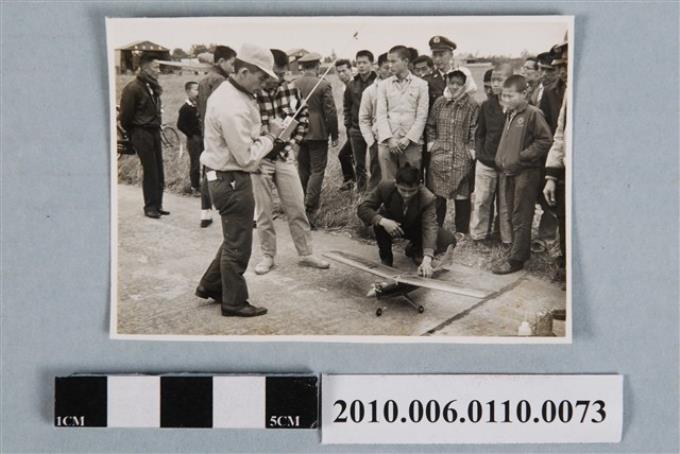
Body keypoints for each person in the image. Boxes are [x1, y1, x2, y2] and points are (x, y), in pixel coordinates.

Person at [195, 43, 283, 317]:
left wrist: (263, 140)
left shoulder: (231, 93)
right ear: (244, 72)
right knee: (239, 244)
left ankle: (211, 285)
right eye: (261, 77)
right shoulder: (232, 105)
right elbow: (245, 157)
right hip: (232, 179)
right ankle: (234, 302)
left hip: (222, 176)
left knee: (234, 236)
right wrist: (272, 137)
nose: (263, 83)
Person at [252, 49, 330, 275]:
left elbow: (303, 117)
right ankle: (267, 256)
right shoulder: (253, 94)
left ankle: (306, 253)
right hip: (260, 160)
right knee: (264, 212)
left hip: (285, 157)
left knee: (296, 206)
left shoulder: (291, 89)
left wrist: (294, 143)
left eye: (281, 73)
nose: (277, 78)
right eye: (273, 74)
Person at [492, 75, 553, 275]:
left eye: (510, 96)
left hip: (525, 173)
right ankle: (517, 250)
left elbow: (545, 140)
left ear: (524, 94)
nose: (506, 99)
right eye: (504, 96)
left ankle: (517, 260)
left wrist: (522, 156)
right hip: (509, 172)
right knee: (511, 213)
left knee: (521, 215)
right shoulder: (511, 113)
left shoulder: (533, 114)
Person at [357, 164, 456, 277]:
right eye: (403, 190)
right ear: (396, 184)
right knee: (378, 222)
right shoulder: (384, 187)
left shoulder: (428, 198)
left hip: (416, 228)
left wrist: (427, 258)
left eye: (412, 191)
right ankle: (386, 259)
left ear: (419, 186)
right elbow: (363, 208)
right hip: (391, 225)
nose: (407, 195)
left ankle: (415, 250)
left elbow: (430, 226)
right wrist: (383, 221)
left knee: (449, 239)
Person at [425, 70, 479, 233]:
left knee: (462, 194)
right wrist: (432, 145)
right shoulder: (440, 102)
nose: (454, 87)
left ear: (465, 85)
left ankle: (461, 230)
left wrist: (470, 150)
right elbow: (431, 125)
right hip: (440, 154)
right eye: (451, 83)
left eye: (459, 84)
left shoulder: (472, 105)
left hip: (461, 156)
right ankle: (436, 229)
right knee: (437, 195)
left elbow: (474, 130)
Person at [469, 63, 514, 246]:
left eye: (499, 79)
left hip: (507, 164)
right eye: (493, 79)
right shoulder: (487, 105)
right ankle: (479, 235)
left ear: (510, 81)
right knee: (482, 200)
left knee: (505, 204)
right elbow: (480, 133)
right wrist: (481, 154)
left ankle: (506, 238)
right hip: (486, 162)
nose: (494, 83)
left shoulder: (516, 106)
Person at [118, 53, 167, 219]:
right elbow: (125, 117)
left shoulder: (152, 87)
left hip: (154, 131)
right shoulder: (132, 88)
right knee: (151, 170)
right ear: (145, 68)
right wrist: (134, 133)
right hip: (141, 132)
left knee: (159, 169)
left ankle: (157, 205)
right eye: (156, 67)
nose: (159, 70)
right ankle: (150, 207)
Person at [294, 52, 339, 227]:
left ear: (303, 67)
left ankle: (299, 204)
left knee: (303, 169)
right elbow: (331, 112)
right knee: (317, 170)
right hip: (318, 132)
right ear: (317, 65)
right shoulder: (323, 84)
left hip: (299, 130)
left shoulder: (294, 83)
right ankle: (310, 208)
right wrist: (334, 135)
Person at [196, 45, 237, 227]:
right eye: (232, 63)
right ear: (221, 61)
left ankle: (205, 213)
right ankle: (237, 212)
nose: (233, 68)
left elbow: (200, 108)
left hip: (206, 131)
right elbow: (225, 110)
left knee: (209, 170)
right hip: (220, 133)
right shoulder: (222, 81)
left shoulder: (204, 80)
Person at [376, 45, 429, 181]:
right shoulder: (383, 85)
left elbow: (422, 116)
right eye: (388, 61)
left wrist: (408, 139)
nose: (390, 65)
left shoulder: (421, 85)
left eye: (393, 61)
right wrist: (390, 139)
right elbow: (380, 115)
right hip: (388, 143)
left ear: (405, 61)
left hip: (411, 144)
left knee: (411, 183)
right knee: (388, 183)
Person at [543, 87, 568, 285]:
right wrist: (551, 177)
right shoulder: (569, 92)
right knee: (565, 220)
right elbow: (560, 136)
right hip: (567, 171)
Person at [344, 50, 377, 193]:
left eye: (364, 62)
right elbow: (347, 106)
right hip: (356, 129)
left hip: (375, 129)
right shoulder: (351, 85)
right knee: (359, 163)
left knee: (376, 162)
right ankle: (362, 191)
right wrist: (349, 125)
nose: (361, 66)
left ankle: (376, 191)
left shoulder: (378, 82)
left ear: (372, 64)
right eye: (358, 63)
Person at [358, 52, 389, 190]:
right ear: (378, 69)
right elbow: (364, 119)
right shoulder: (370, 91)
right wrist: (371, 142)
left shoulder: (402, 87)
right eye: (386, 68)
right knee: (377, 176)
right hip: (378, 140)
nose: (390, 71)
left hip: (398, 139)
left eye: (392, 67)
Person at [428, 35, 477, 106]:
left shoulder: (464, 74)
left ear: (451, 55)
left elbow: (471, 100)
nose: (437, 59)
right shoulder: (428, 79)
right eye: (434, 55)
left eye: (441, 55)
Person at [176, 81, 203, 198]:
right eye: (195, 89)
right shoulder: (185, 108)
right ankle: (195, 187)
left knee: (207, 161)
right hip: (194, 139)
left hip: (203, 137)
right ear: (188, 91)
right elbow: (180, 125)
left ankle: (205, 186)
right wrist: (191, 134)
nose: (198, 92)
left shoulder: (200, 105)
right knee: (195, 163)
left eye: (199, 89)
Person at [334, 59, 356, 191]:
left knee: (344, 155)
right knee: (350, 155)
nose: (341, 74)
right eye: (339, 72)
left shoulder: (355, 85)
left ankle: (350, 181)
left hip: (358, 127)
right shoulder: (344, 87)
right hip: (350, 126)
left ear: (351, 70)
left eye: (344, 70)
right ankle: (351, 181)